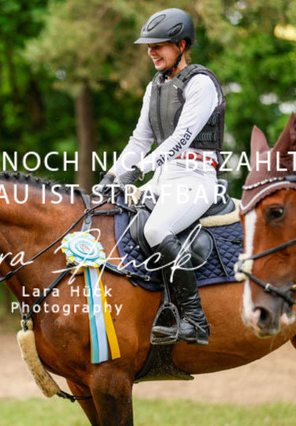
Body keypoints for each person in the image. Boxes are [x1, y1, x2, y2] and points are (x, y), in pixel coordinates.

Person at [96, 8, 226, 345]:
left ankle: (195, 319)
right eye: (149, 46)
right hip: (164, 178)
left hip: (196, 179)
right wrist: (112, 175)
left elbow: (182, 137)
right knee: (118, 218)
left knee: (156, 229)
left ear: (181, 45)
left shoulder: (201, 83)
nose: (151, 52)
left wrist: (140, 170)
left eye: (159, 45)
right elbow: (140, 140)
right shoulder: (154, 87)